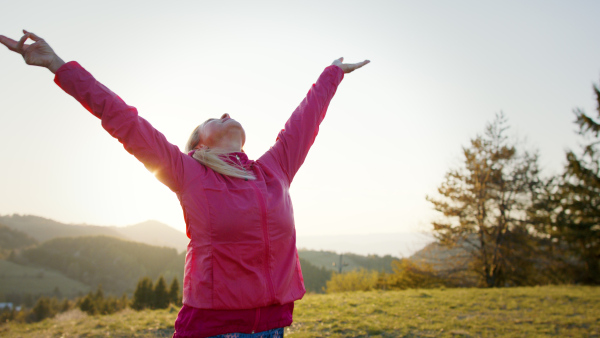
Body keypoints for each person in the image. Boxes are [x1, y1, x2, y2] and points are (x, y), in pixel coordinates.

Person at [0, 30, 369, 337]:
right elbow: (120, 117)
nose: (225, 113)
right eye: (212, 117)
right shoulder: (189, 173)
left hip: (272, 327)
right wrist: (56, 64)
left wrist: (332, 73)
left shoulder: (274, 170)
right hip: (212, 328)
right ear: (198, 143)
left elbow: (305, 120)